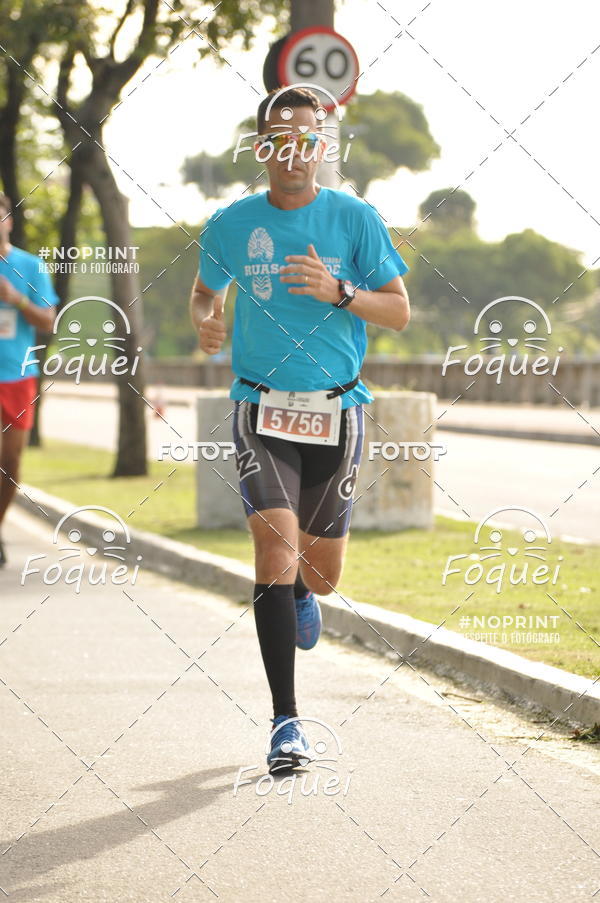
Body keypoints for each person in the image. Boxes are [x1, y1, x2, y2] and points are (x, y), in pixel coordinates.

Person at [190, 87, 410, 772]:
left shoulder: (355, 218)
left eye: (306, 138)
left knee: (319, 571)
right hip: (260, 407)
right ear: (260, 148)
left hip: (337, 410)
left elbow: (399, 311)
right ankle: (286, 722)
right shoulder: (230, 224)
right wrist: (206, 319)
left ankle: (304, 594)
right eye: (279, 139)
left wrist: (339, 291)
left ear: (321, 146)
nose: (293, 150)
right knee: (274, 549)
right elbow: (204, 291)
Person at [0, 192, 58, 566]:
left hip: (17, 375)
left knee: (10, 463)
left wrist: (16, 299)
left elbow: (49, 321)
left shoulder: (30, 266)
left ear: (8, 221)